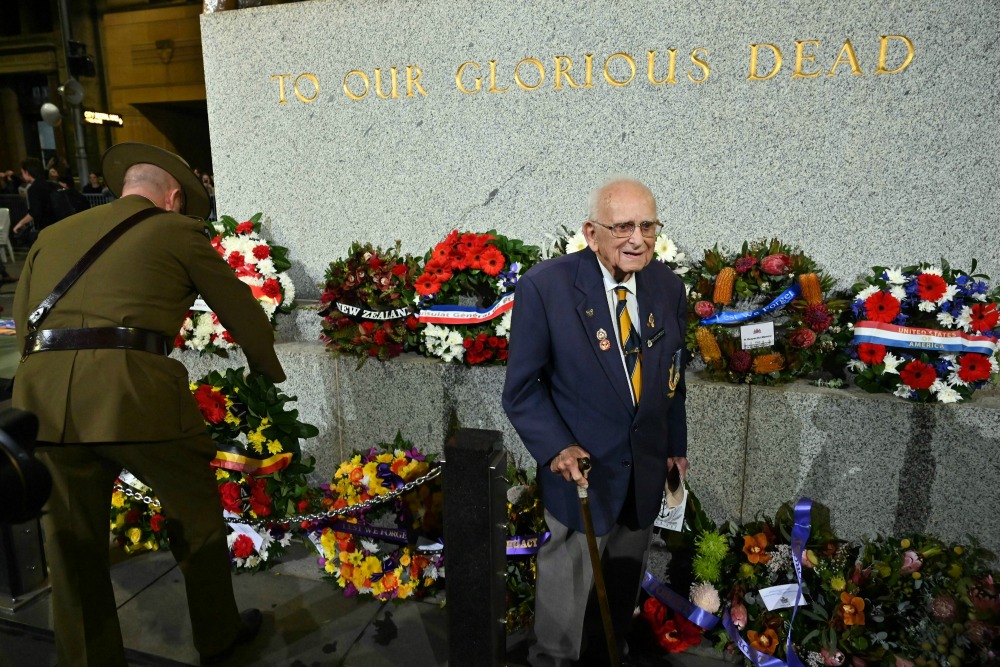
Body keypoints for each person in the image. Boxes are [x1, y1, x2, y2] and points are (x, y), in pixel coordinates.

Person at [12, 142, 286, 666]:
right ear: (174, 198)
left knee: (71, 547)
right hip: (135, 396)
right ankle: (218, 636)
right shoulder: (177, 230)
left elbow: (26, 320)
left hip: (45, 403)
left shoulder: (52, 235)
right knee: (196, 518)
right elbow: (240, 309)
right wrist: (266, 372)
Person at [502, 178, 689, 666]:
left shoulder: (668, 286)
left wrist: (675, 445)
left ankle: (606, 654)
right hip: (580, 473)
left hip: (644, 471)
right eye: (623, 226)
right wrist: (557, 446)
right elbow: (522, 388)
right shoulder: (547, 287)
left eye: (648, 225)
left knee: (619, 594)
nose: (637, 238)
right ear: (592, 232)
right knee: (566, 595)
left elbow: (673, 377)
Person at [12, 157, 57, 242]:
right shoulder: (49, 184)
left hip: (47, 227)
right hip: (59, 222)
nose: (22, 175)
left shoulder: (34, 189)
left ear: (27, 172)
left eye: (22, 172)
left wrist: (20, 223)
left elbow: (35, 211)